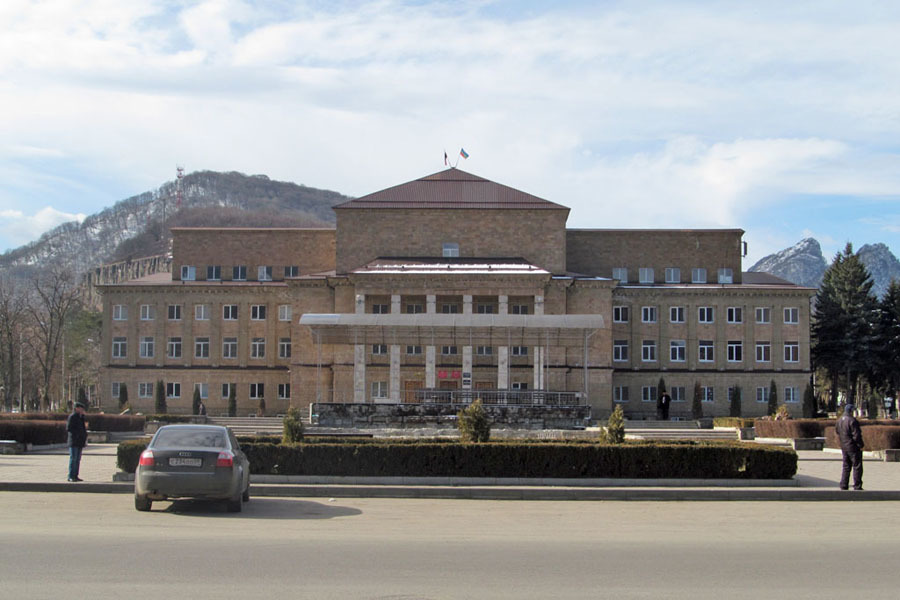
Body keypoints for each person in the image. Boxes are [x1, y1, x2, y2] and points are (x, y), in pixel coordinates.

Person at [835, 403, 864, 491]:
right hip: (853, 447)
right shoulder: (852, 421)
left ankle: (844, 484)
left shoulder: (839, 420)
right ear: (851, 411)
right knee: (857, 466)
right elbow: (856, 435)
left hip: (844, 446)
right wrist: (860, 445)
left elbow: (837, 432)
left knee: (846, 466)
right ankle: (857, 485)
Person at [66, 401, 88, 482]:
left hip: (80, 442)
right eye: (81, 408)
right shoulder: (72, 417)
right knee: (73, 458)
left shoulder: (81, 417)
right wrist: (77, 434)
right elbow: (69, 428)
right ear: (76, 408)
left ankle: (76, 475)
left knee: (78, 459)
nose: (82, 410)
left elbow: (83, 429)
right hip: (74, 441)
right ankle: (71, 476)